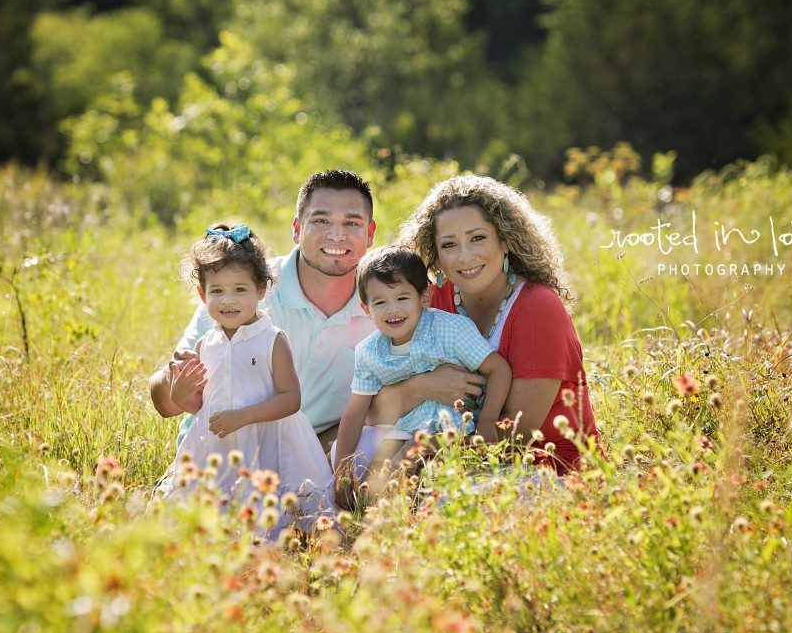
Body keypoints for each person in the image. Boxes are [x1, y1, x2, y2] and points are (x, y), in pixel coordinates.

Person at [151, 170, 474, 491]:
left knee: (392, 442)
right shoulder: (244, 287)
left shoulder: (388, 305)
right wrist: (175, 382)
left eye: (351, 223)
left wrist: (422, 387)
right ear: (296, 228)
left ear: (371, 233)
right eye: (320, 221)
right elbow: (164, 402)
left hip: (315, 450)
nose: (336, 235)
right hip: (227, 452)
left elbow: (374, 410)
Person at [395, 174, 599, 473]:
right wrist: (421, 387)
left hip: (543, 468)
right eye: (449, 245)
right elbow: (379, 395)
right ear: (435, 256)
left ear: (505, 241)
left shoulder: (537, 306)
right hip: (450, 455)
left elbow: (516, 439)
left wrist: (426, 450)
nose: (465, 256)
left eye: (477, 238)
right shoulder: (430, 299)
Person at [163, 222, 333, 532]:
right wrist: (180, 392)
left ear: (261, 290)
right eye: (217, 291)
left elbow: (291, 400)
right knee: (214, 509)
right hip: (220, 444)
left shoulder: (271, 339)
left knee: (272, 514)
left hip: (266, 439)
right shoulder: (207, 343)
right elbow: (199, 405)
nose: (228, 300)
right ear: (202, 294)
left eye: (239, 290)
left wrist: (243, 416)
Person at [330, 246, 512, 506]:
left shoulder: (450, 330)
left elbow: (499, 370)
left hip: (454, 432)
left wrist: (488, 422)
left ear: (424, 297)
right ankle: (366, 534)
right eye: (380, 302)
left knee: (406, 478)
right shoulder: (369, 352)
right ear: (366, 309)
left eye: (402, 298)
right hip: (402, 434)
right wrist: (342, 474)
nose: (392, 309)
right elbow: (354, 414)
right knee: (369, 492)